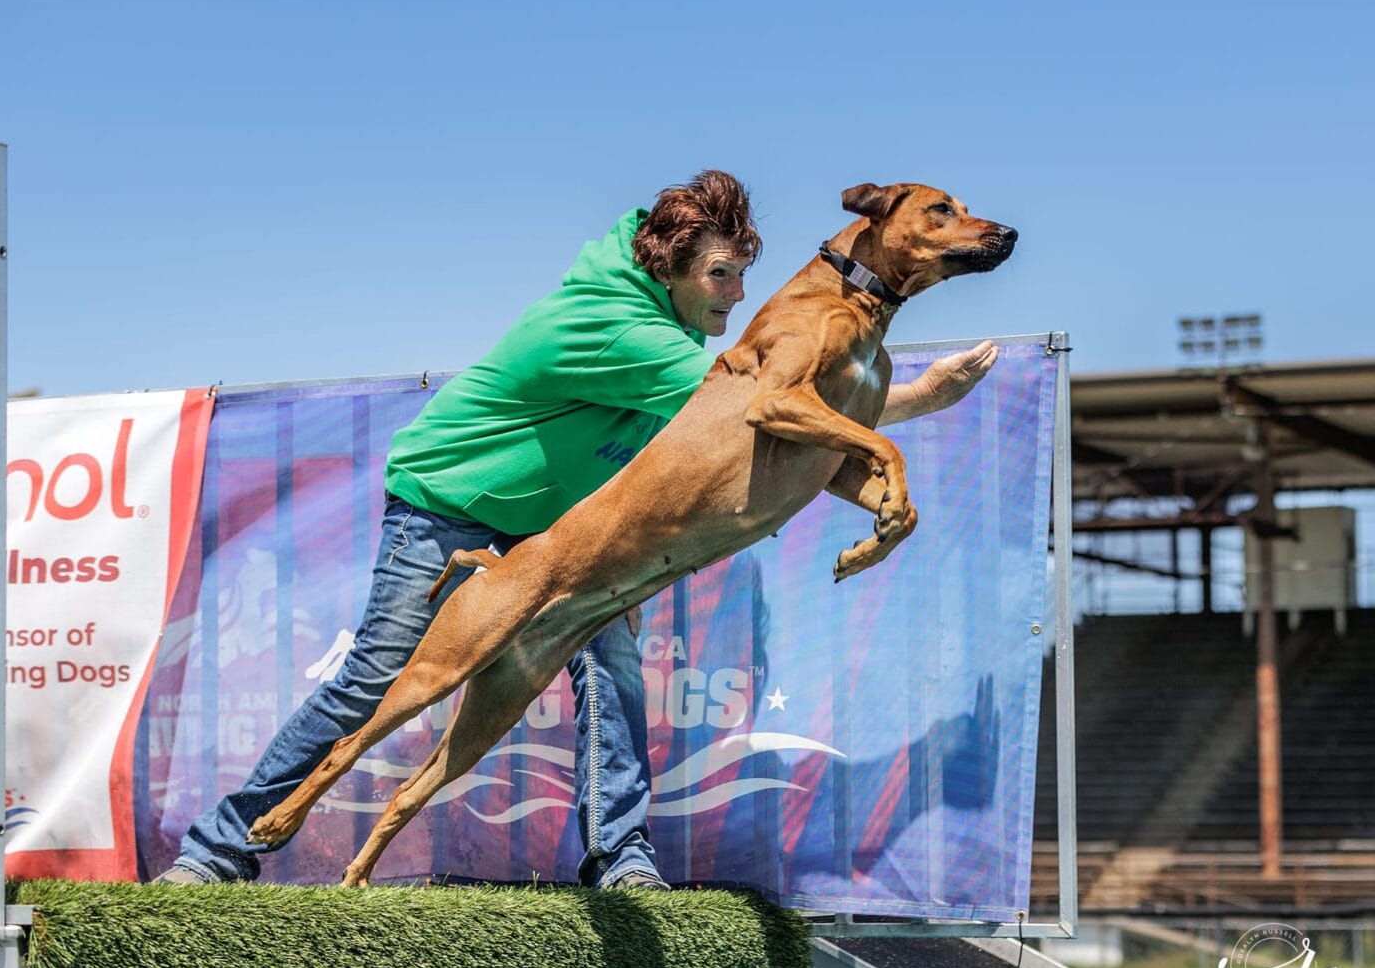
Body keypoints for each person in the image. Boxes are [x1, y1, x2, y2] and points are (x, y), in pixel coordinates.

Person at [156, 170, 996, 889]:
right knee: (374, 684)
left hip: (561, 537)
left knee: (615, 679)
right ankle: (217, 851)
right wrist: (921, 400)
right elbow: (770, 402)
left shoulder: (666, 324)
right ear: (670, 266)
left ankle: (621, 856)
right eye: (720, 275)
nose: (738, 296)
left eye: (745, 275)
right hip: (450, 512)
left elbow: (780, 404)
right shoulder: (609, 326)